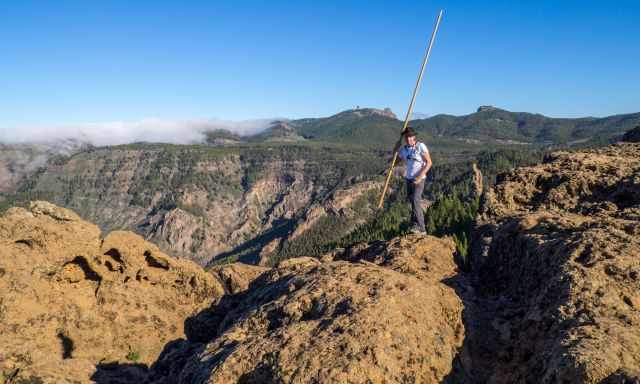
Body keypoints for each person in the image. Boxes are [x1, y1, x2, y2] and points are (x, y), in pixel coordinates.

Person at [393, 127, 432, 234]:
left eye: (410, 136)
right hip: (409, 179)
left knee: (416, 201)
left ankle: (422, 229)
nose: (409, 138)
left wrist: (419, 177)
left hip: (419, 179)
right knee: (412, 202)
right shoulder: (404, 150)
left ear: (414, 137)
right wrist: (395, 149)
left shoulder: (420, 146)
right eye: (407, 137)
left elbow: (429, 163)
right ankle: (415, 224)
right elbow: (394, 162)